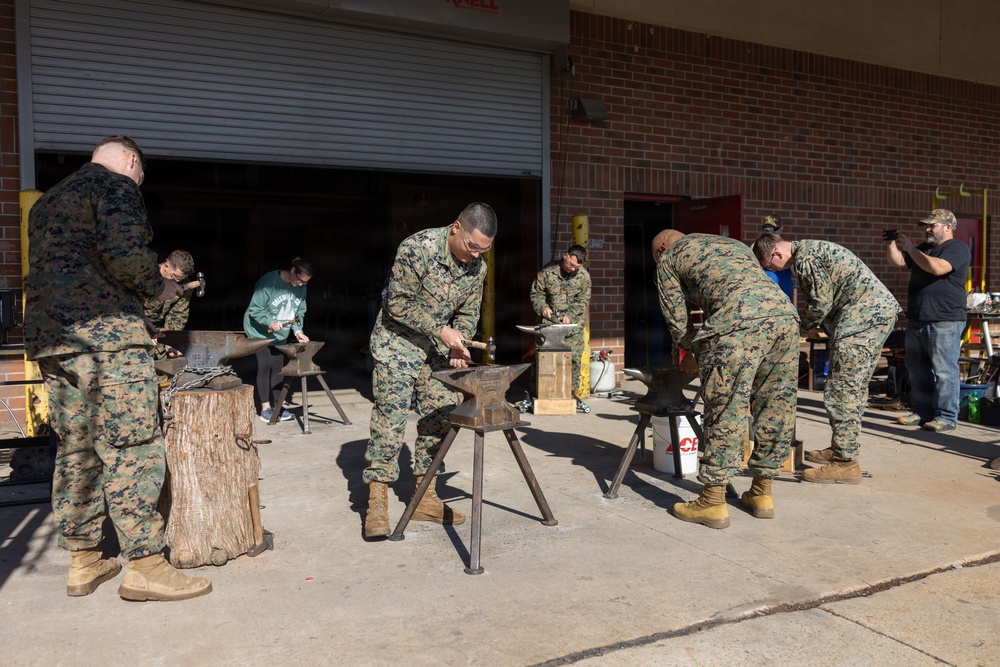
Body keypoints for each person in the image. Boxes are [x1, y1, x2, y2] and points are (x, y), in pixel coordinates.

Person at [24, 136, 212, 601]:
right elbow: (127, 256)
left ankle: (84, 560)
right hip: (106, 342)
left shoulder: (46, 203)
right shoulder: (116, 186)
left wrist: (129, 306)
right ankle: (146, 565)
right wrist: (158, 289)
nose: (138, 182)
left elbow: (80, 269)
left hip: (55, 341)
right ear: (131, 161)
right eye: (140, 174)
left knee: (77, 449)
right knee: (132, 444)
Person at [362, 202, 497, 538]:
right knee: (390, 421)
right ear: (456, 228)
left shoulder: (476, 268)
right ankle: (377, 501)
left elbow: (467, 313)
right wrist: (441, 331)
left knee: (439, 418)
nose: (476, 255)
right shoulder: (417, 249)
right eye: (472, 246)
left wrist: (459, 342)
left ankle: (425, 497)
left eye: (484, 249)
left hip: (435, 352)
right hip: (398, 343)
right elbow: (397, 303)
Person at [652, 230, 799, 529]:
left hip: (739, 323)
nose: (659, 260)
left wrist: (691, 349)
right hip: (784, 316)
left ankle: (712, 502)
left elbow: (675, 318)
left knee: (726, 406)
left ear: (664, 248)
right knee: (776, 405)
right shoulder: (732, 245)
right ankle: (761, 493)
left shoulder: (669, 257)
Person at [753, 234, 902, 483]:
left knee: (842, 390)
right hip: (869, 316)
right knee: (850, 387)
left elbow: (820, 303)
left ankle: (845, 463)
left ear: (776, 254)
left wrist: (798, 327)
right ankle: (841, 448)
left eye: (768, 266)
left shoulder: (805, 259)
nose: (772, 271)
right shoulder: (810, 249)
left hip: (861, 320)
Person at [887, 209, 971, 432]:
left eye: (932, 225)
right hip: (918, 318)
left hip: (944, 319)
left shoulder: (957, 248)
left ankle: (946, 417)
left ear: (947, 227)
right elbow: (898, 263)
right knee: (917, 370)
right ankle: (922, 412)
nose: (927, 229)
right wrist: (893, 244)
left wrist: (912, 249)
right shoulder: (924, 249)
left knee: (944, 371)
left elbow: (937, 268)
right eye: (926, 225)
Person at [243, 258, 313, 423]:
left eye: (306, 283)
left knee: (278, 369)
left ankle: (278, 406)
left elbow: (298, 313)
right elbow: (255, 308)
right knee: (265, 365)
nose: (301, 285)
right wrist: (269, 321)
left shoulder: (301, 288)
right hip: (259, 331)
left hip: (280, 334)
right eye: (300, 280)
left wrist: (298, 331)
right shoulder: (269, 282)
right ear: (293, 271)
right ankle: (266, 409)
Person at [529, 244, 592, 411]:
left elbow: (582, 301)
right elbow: (537, 293)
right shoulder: (547, 271)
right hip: (549, 325)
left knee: (574, 361)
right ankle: (538, 393)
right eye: (570, 264)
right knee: (542, 360)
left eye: (576, 267)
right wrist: (542, 307)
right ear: (565, 256)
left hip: (572, 328)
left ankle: (570, 396)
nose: (572, 269)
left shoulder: (584, 277)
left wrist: (570, 314)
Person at [143, 249, 196, 359]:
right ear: (166, 266)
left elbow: (178, 315)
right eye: (175, 276)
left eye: (181, 278)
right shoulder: (147, 276)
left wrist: (170, 339)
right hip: (139, 324)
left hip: (161, 330)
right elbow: (131, 306)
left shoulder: (185, 284)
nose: (177, 281)